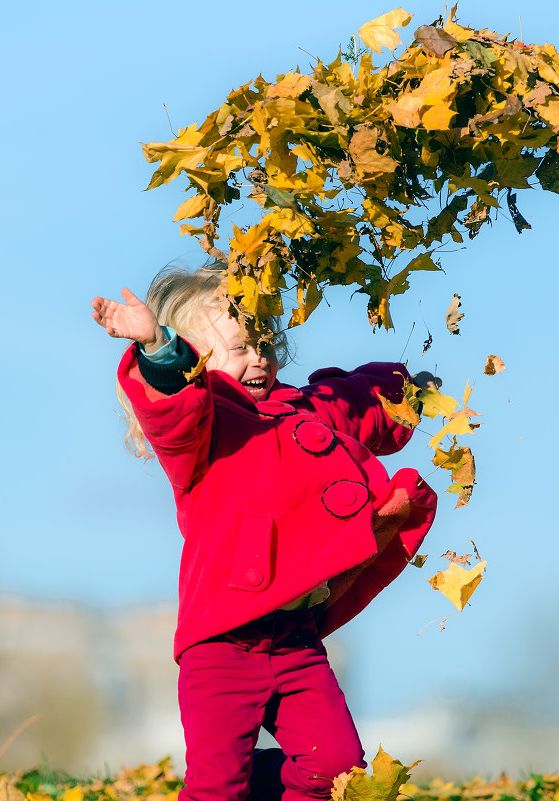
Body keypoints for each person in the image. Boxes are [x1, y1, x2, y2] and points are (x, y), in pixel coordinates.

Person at [91, 266, 438, 801]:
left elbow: (354, 400)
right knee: (216, 787)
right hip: (221, 646)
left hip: (294, 639)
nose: (259, 358)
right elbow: (175, 413)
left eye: (264, 343)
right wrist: (160, 349)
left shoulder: (305, 409)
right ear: (200, 364)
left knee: (337, 769)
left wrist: (408, 394)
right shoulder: (205, 430)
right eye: (239, 348)